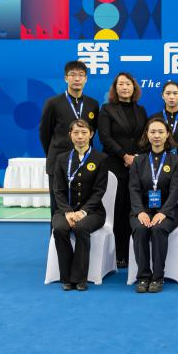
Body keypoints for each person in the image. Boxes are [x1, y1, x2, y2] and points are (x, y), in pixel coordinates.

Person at [50, 119, 109, 291]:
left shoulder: (101, 159)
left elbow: (99, 191)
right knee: (59, 229)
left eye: (84, 133)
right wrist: (67, 212)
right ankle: (67, 277)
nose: (80, 137)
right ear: (70, 135)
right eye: (76, 133)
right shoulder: (61, 159)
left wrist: (83, 212)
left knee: (81, 228)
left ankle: (79, 278)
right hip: (64, 210)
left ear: (91, 134)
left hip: (93, 212)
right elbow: (58, 190)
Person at [129, 118, 178, 294]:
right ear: (147, 134)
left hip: (168, 211)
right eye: (152, 132)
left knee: (158, 229)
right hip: (142, 210)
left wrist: (163, 212)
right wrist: (140, 212)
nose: (157, 136)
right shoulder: (138, 161)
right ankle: (143, 276)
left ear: (167, 134)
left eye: (161, 132)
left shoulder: (177, 161)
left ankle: (158, 277)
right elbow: (133, 189)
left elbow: (175, 191)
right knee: (140, 229)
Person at [97, 72, 148, 268]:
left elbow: (145, 137)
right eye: (121, 84)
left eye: (128, 84)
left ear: (134, 88)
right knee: (118, 210)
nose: (125, 87)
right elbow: (105, 138)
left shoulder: (141, 110)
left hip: (137, 166)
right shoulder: (107, 109)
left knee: (134, 209)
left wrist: (136, 157)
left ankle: (135, 252)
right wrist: (124, 156)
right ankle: (119, 253)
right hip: (115, 166)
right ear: (115, 88)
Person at [39, 61, 100, 216]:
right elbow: (45, 134)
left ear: (86, 79)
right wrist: (54, 154)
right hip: (59, 163)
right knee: (58, 209)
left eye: (81, 75)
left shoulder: (93, 104)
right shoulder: (53, 103)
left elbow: (92, 133)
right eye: (73, 75)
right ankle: (57, 233)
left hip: (84, 164)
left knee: (83, 208)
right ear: (66, 78)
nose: (77, 79)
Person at [152, 81, 178, 165]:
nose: (171, 97)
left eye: (175, 93)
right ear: (162, 95)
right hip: (158, 163)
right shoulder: (154, 118)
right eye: (168, 93)